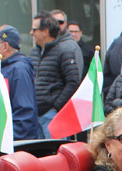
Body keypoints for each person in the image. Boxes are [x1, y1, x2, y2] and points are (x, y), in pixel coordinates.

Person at [29, 11, 80, 139]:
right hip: (36, 114)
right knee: (39, 156)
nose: (31, 33)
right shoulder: (34, 52)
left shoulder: (64, 50)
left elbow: (73, 82)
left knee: (54, 154)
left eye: (34, 29)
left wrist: (56, 107)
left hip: (52, 115)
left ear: (45, 31)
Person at [0, 25, 38, 140]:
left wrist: (8, 140)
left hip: (13, 144)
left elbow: (24, 111)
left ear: (5, 46)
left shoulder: (19, 70)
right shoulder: (1, 68)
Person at [51, 9, 84, 78]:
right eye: (54, 22)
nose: (57, 25)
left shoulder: (73, 47)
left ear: (65, 24)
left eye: (60, 22)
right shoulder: (43, 45)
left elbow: (75, 79)